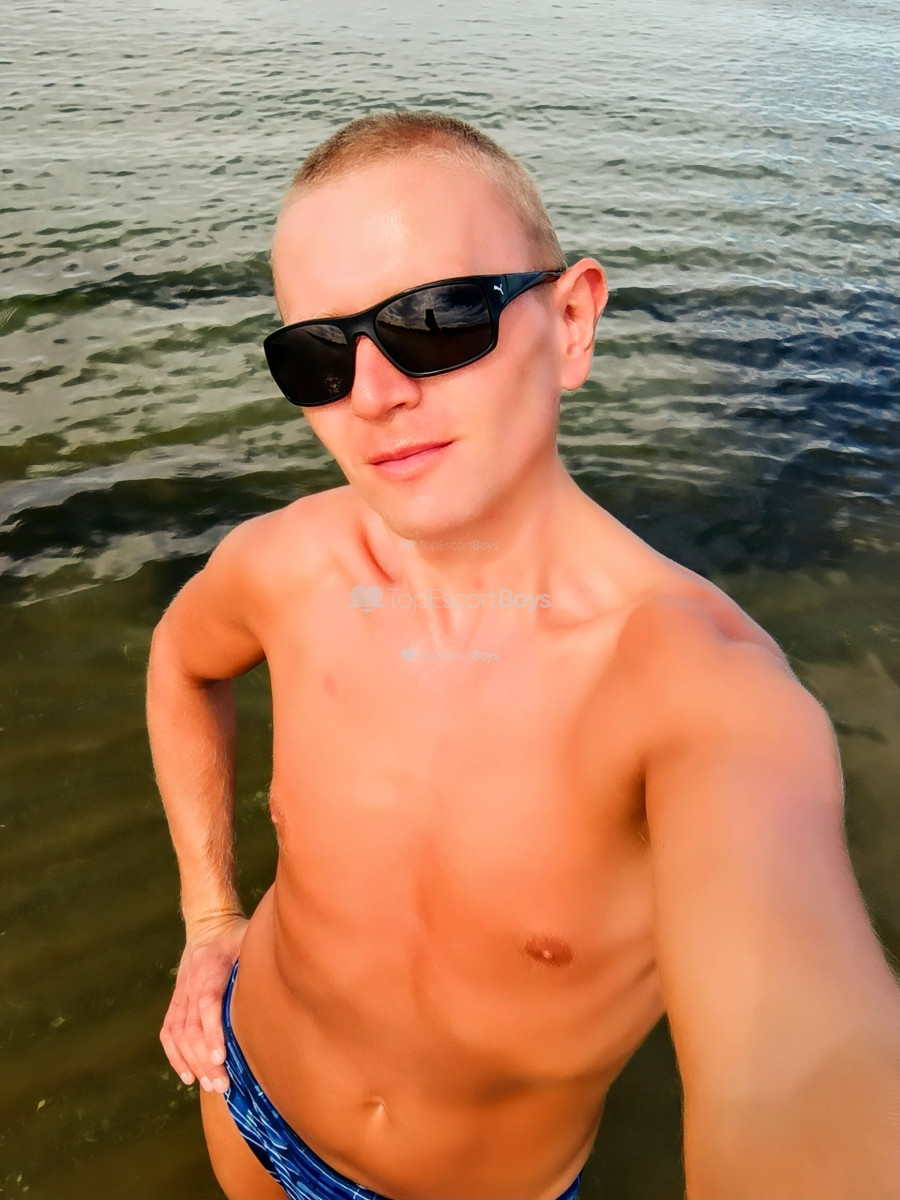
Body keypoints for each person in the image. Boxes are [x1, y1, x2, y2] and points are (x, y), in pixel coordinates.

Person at [146, 112, 900, 1200]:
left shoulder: (697, 685)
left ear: (573, 320)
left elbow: (804, 1070)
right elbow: (182, 661)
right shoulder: (289, 566)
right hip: (250, 1098)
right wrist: (210, 916)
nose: (374, 395)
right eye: (317, 354)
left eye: (436, 319)